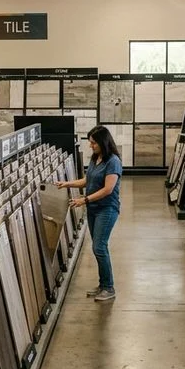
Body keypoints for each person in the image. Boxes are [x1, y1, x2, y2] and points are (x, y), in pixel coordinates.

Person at [57, 125, 122, 302]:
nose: (91, 146)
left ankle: (109, 287)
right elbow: (88, 180)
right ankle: (103, 285)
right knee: (98, 246)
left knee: (99, 247)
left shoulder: (113, 161)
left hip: (107, 209)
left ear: (103, 142)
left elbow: (108, 189)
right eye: (90, 142)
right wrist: (67, 184)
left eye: (94, 143)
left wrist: (84, 200)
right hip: (94, 209)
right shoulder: (96, 159)